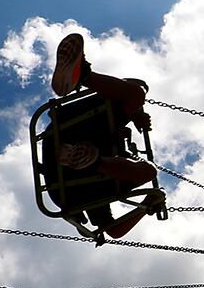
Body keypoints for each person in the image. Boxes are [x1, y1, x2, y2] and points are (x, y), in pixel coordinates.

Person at [47, 33, 163, 240]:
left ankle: (85, 77)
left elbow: (111, 230)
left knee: (148, 170)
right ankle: (83, 76)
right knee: (148, 171)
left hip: (68, 163)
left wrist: (147, 204)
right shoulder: (109, 125)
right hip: (74, 147)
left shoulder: (97, 186)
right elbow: (113, 230)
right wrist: (147, 205)